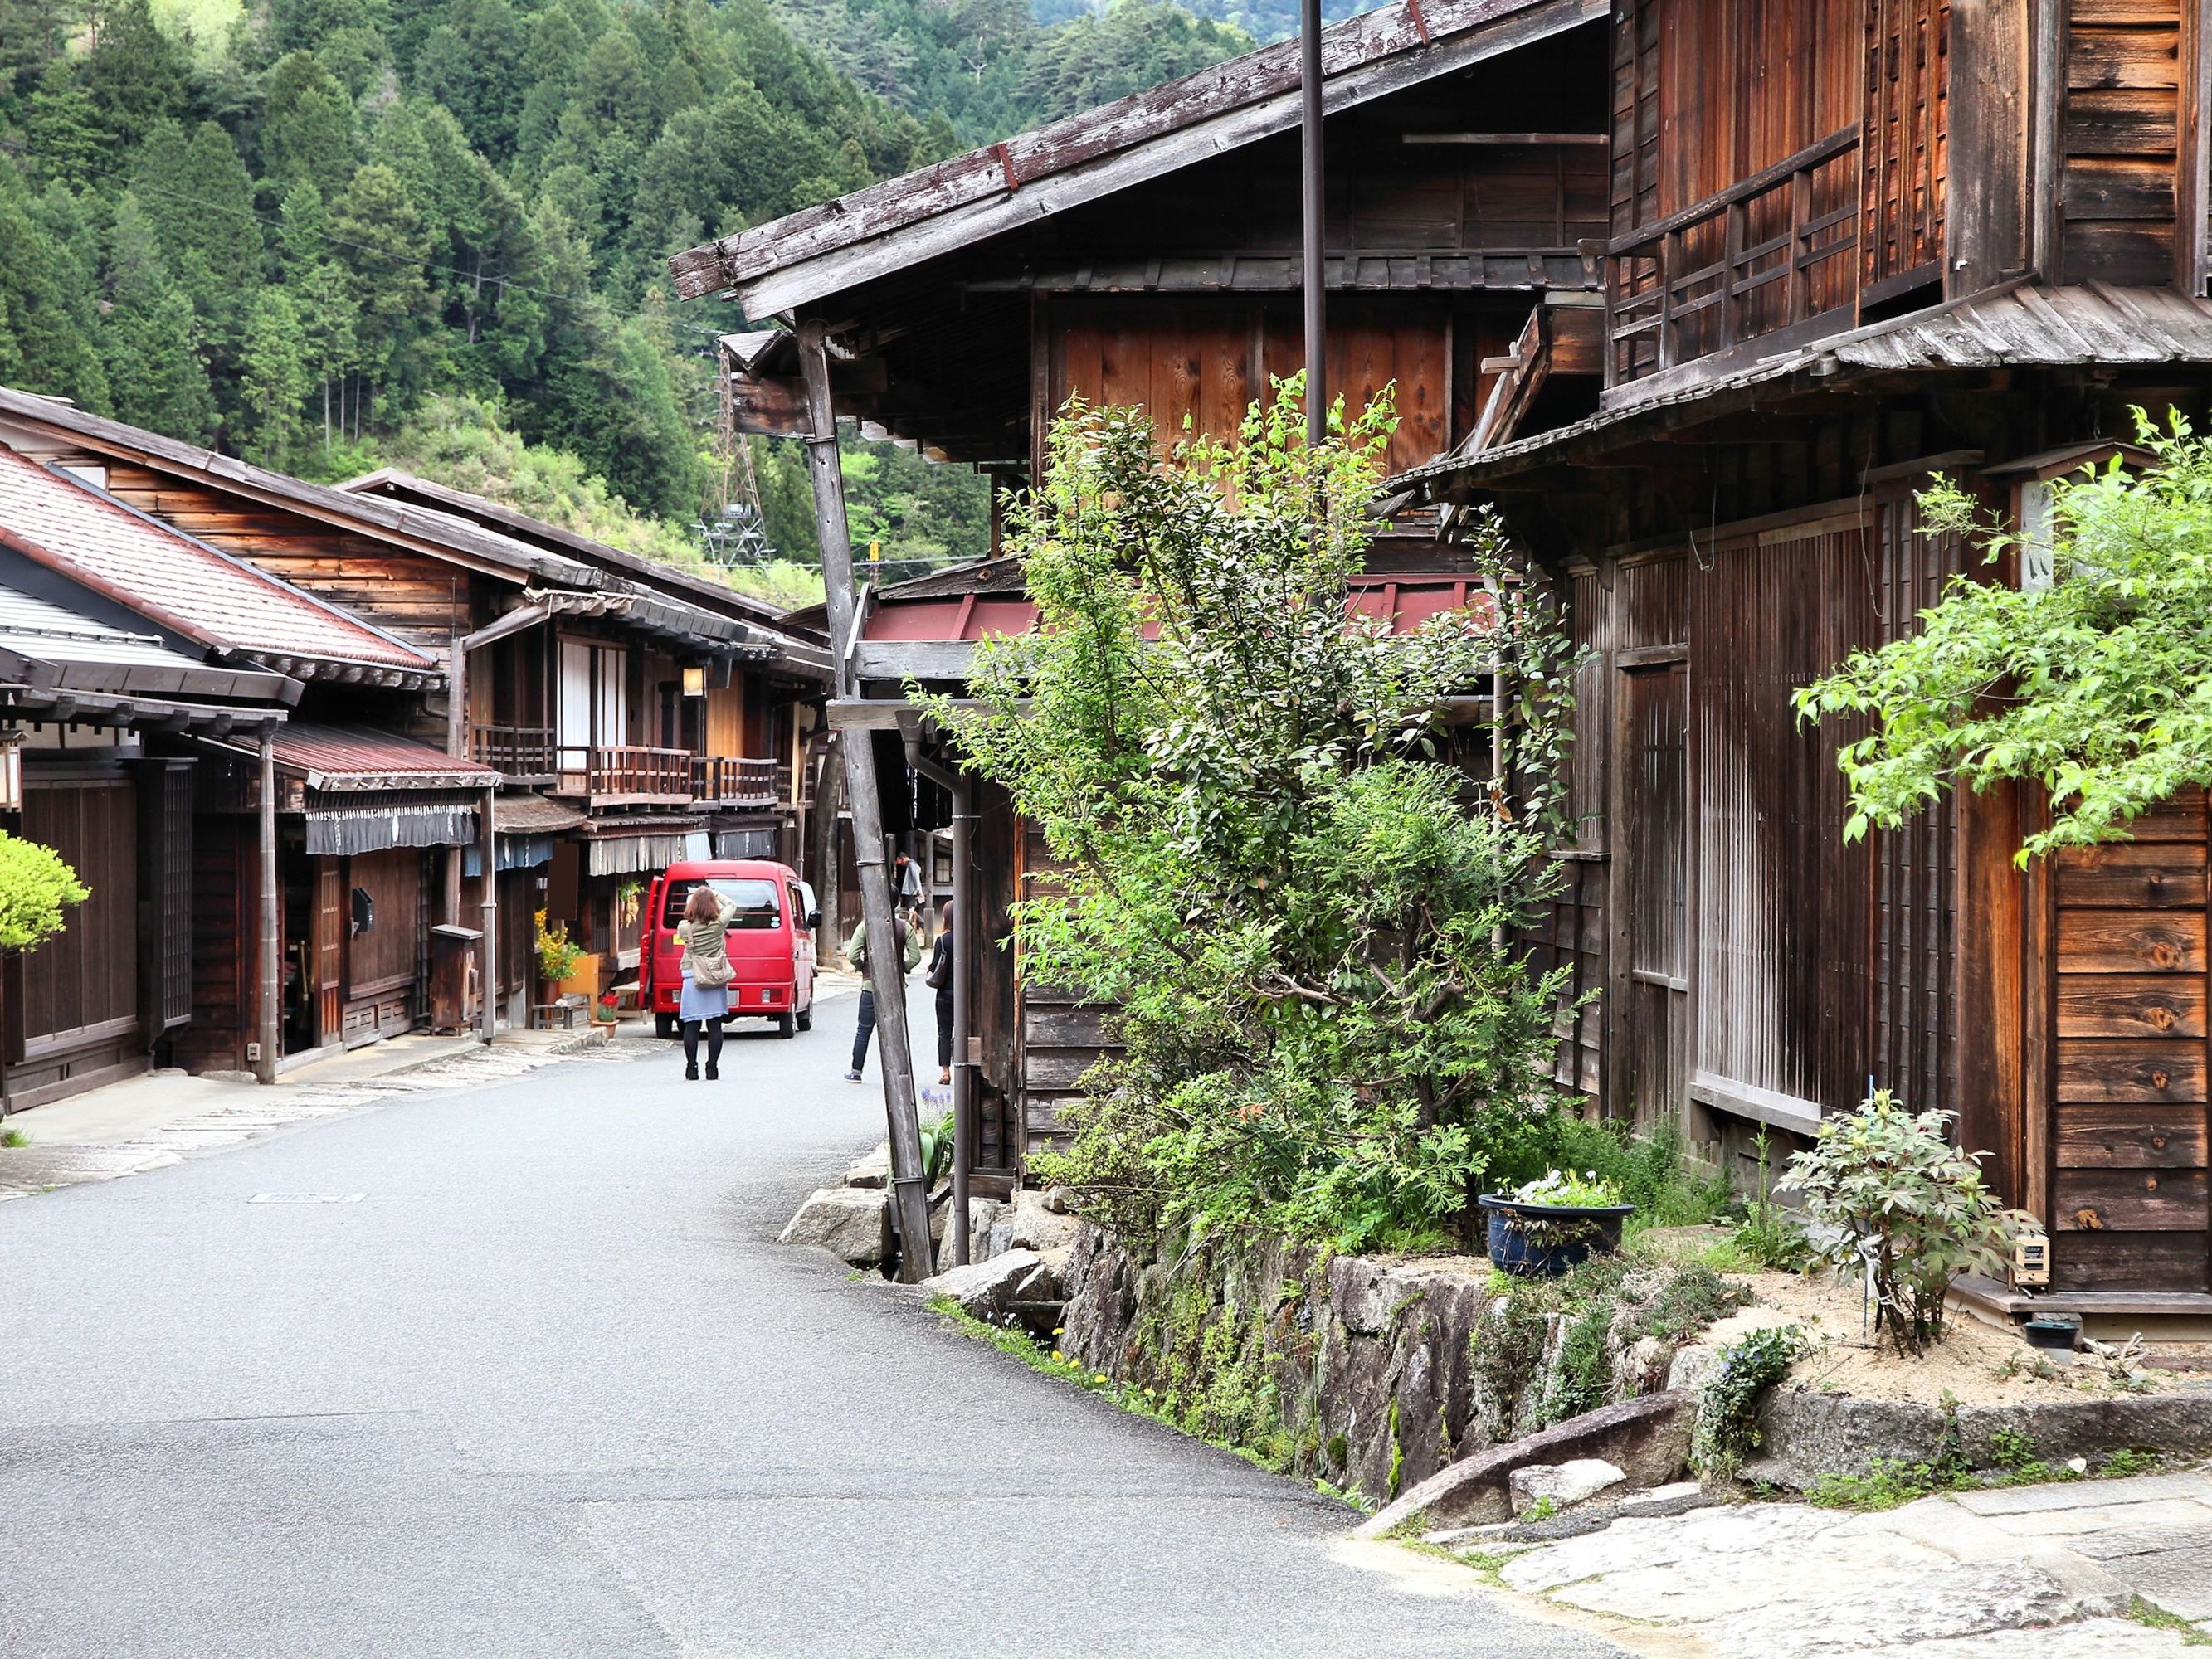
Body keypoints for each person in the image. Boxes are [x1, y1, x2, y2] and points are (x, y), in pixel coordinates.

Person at [843, 912, 921, 1082]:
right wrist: (903, 968)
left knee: (863, 1030)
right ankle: (899, 1073)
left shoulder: (865, 925)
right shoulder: (904, 927)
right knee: (897, 1030)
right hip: (895, 987)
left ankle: (856, 1071)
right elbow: (916, 957)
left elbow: (852, 955)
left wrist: (862, 968)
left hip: (871, 986)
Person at [675, 883, 738, 1082]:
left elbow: (687, 919)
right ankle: (712, 1068)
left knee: (691, 1026)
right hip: (714, 977)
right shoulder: (719, 924)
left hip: (692, 976)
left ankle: (691, 1068)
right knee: (714, 1025)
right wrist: (715, 893)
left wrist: (694, 897)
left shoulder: (684, 928)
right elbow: (732, 905)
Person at [925, 899, 954, 1086]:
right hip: (966, 997)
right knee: (964, 1032)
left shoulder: (942, 940)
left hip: (945, 994)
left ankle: (945, 1071)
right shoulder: (970, 937)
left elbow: (936, 966)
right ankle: (964, 1066)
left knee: (944, 1032)